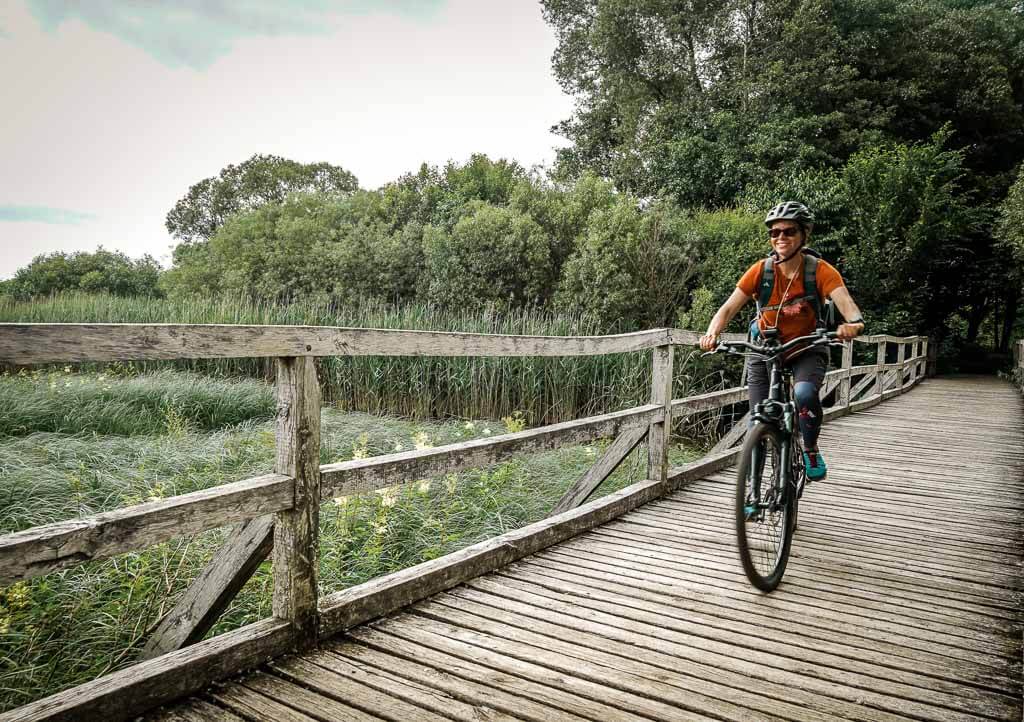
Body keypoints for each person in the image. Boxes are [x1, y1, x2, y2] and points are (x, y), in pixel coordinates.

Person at [699, 201, 865, 480]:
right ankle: (751, 490)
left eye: (788, 232)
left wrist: (853, 325)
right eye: (774, 233)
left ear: (803, 236)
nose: (780, 238)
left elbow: (849, 307)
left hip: (806, 347)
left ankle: (810, 447)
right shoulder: (760, 272)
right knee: (757, 420)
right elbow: (728, 308)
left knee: (803, 395)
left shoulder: (820, 271)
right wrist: (712, 332)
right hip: (765, 348)